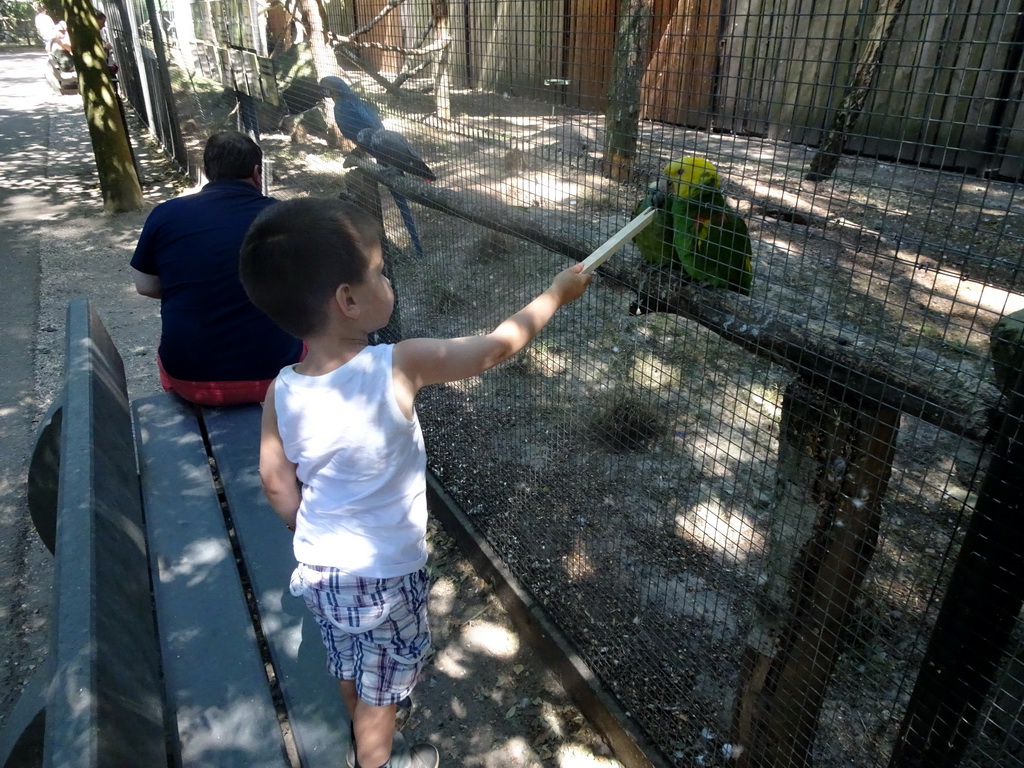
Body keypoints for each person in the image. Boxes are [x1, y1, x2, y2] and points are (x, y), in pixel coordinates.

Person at [237, 197, 592, 768]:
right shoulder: (398, 364)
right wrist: (556, 293)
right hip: (385, 573)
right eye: (380, 271)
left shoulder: (282, 388)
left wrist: (305, 528)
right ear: (347, 301)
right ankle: (373, 760)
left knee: (349, 663)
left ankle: (360, 733)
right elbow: (495, 348)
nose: (389, 279)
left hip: (320, 567)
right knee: (382, 695)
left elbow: (274, 478)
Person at [131, 131, 303, 406]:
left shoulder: (166, 213)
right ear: (257, 172)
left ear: (208, 171)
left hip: (191, 379)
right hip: (276, 374)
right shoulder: (286, 217)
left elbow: (145, 286)